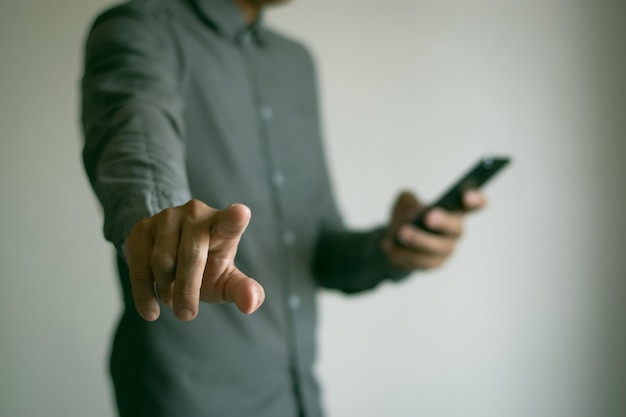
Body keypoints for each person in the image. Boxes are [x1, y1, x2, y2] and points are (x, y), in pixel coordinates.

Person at [81, 0, 485, 416]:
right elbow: (136, 140)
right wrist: (161, 219)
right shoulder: (140, 28)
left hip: (299, 398)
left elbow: (320, 254)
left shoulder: (296, 63)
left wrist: (395, 245)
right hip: (186, 398)